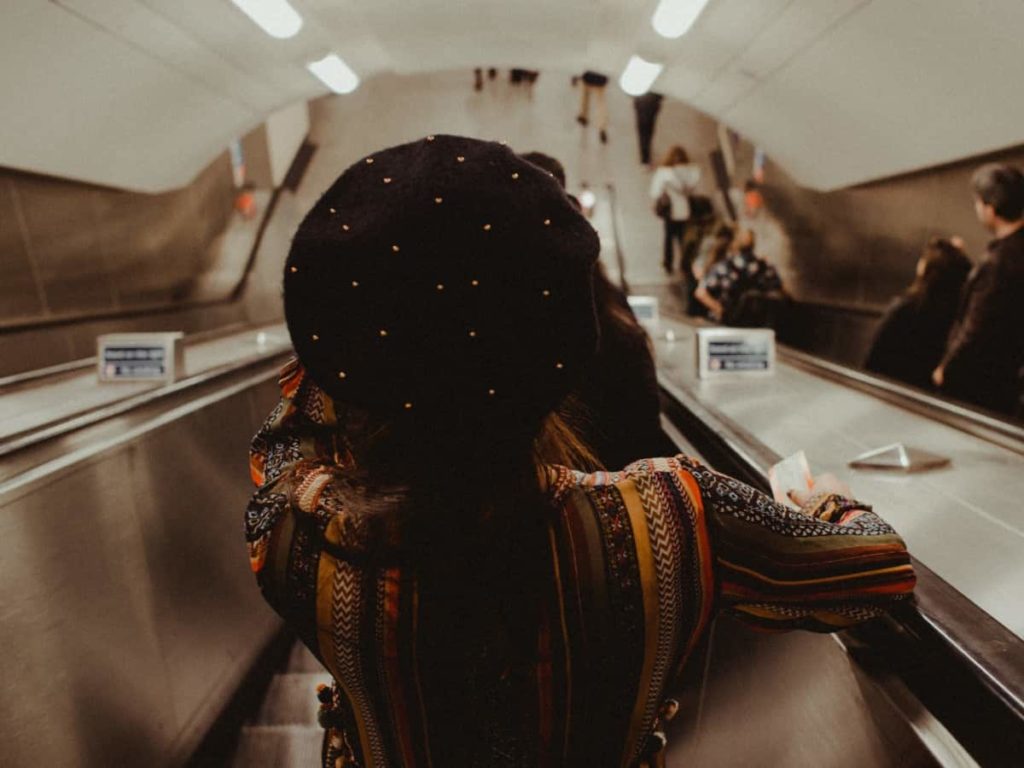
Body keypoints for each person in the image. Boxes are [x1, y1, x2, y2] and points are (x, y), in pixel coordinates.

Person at [245, 136, 915, 767]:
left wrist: (362, 340)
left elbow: (288, 434)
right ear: (568, 342)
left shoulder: (295, 538)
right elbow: (877, 570)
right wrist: (822, 500)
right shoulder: (675, 518)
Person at [521, 149, 664, 467]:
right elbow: (645, 428)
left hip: (557, 494)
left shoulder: (512, 314)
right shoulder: (609, 305)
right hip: (617, 487)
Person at [933, 163, 1024, 416]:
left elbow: (976, 325)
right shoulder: (1015, 252)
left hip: (977, 383)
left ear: (990, 208)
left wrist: (946, 367)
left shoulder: (1000, 261)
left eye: (978, 202)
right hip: (1006, 379)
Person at [865, 238, 972, 390]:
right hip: (926, 394)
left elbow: (873, 359)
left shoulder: (905, 308)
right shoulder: (955, 315)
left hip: (892, 387)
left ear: (925, 269)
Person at [694, 227, 784, 325]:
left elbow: (700, 293)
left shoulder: (725, 266)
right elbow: (780, 293)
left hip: (724, 323)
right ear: (753, 245)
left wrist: (719, 309)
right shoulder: (764, 267)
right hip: (755, 326)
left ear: (735, 244)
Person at [650, 145, 701, 275]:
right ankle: (685, 264)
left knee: (668, 238)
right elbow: (695, 188)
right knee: (683, 238)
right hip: (686, 211)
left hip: (671, 211)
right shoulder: (691, 172)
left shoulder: (664, 173)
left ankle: (668, 264)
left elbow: (655, 192)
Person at [576, 70, 610, 144]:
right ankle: (602, 128)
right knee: (600, 103)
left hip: (588, 76)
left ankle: (583, 115)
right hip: (601, 79)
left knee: (585, 96)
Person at [632, 92, 663, 165]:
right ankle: (646, 152)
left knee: (642, 130)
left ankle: (645, 157)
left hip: (641, 102)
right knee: (649, 129)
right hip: (652, 103)